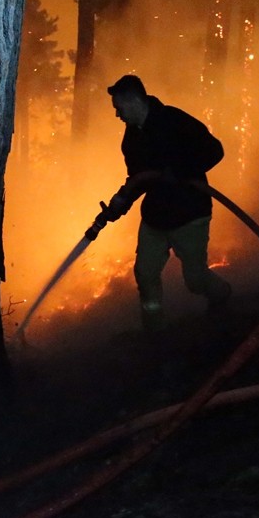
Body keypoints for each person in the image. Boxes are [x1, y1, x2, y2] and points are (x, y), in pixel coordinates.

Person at [100, 74, 232, 332]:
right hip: (156, 218)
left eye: (119, 108)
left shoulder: (173, 120)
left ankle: (222, 295)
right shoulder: (131, 139)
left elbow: (214, 150)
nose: (117, 114)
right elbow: (138, 179)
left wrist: (180, 171)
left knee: (194, 280)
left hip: (190, 214)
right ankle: (154, 330)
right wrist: (121, 204)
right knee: (145, 275)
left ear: (135, 101)